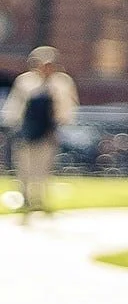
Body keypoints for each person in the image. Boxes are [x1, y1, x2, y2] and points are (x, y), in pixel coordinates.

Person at [4, 43, 78, 217]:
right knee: (24, 166)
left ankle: (39, 199)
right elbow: (16, 105)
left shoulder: (61, 83)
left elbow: (66, 107)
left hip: (48, 131)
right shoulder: (25, 82)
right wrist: (12, 125)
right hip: (26, 131)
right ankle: (25, 197)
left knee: (43, 166)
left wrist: (62, 122)